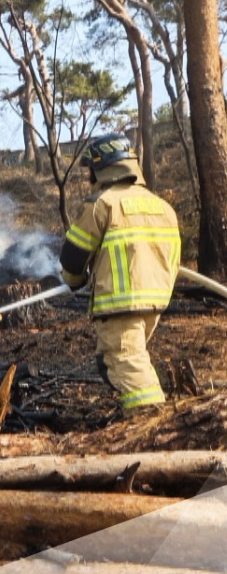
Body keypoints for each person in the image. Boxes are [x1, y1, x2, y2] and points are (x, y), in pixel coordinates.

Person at [59, 132, 181, 416]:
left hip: (120, 304)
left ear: (101, 168)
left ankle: (152, 424)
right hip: (154, 303)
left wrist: (74, 281)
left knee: (124, 361)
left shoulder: (103, 204)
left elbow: (73, 257)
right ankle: (141, 417)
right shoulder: (163, 208)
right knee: (128, 360)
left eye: (91, 171)